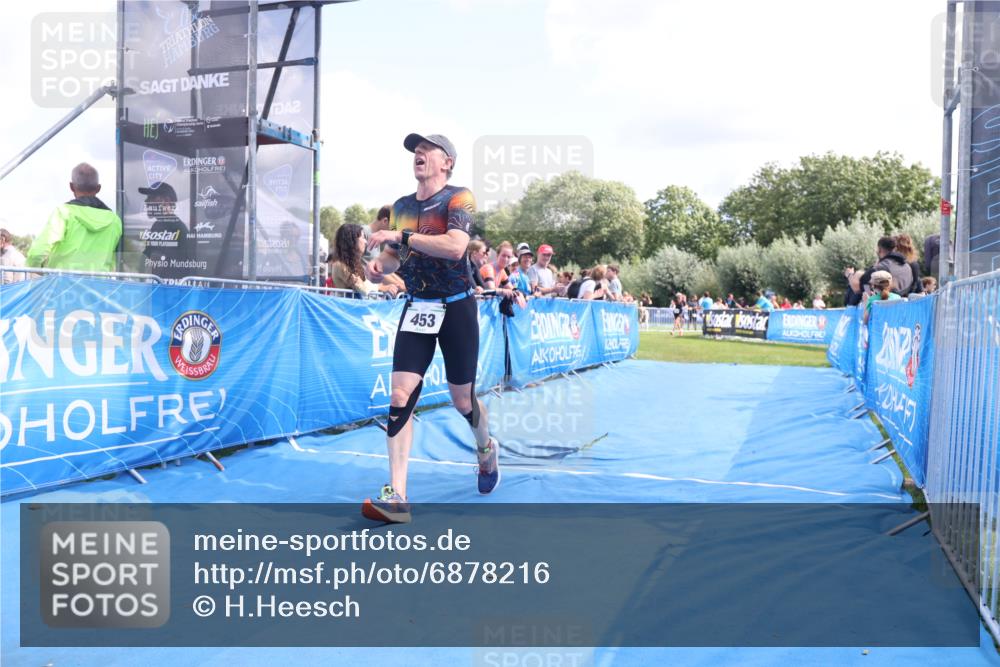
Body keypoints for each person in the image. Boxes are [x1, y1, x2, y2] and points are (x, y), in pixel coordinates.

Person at [362, 132, 500, 523]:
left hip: (456, 307)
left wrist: (400, 236)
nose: (419, 154)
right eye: (415, 151)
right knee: (400, 394)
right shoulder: (403, 206)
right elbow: (393, 256)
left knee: (462, 401)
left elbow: (456, 247)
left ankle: (486, 448)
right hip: (417, 307)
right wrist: (379, 269)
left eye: (427, 150)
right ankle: (398, 497)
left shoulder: (459, 197)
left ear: (447, 162)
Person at [27, 163, 122, 272]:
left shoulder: (63, 213)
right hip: (99, 286)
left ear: (71, 186)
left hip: (63, 286)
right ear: (98, 188)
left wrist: (34, 267)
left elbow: (38, 252)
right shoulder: (114, 220)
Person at [135, 182, 191, 281]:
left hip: (169, 291)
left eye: (152, 197)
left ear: (167, 201)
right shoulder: (159, 225)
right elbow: (147, 258)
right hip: (163, 288)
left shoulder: (173, 226)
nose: (146, 201)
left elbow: (156, 263)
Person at [330, 223, 398, 297]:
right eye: (362, 237)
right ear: (352, 241)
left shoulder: (353, 264)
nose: (366, 242)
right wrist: (382, 288)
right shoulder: (339, 265)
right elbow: (362, 289)